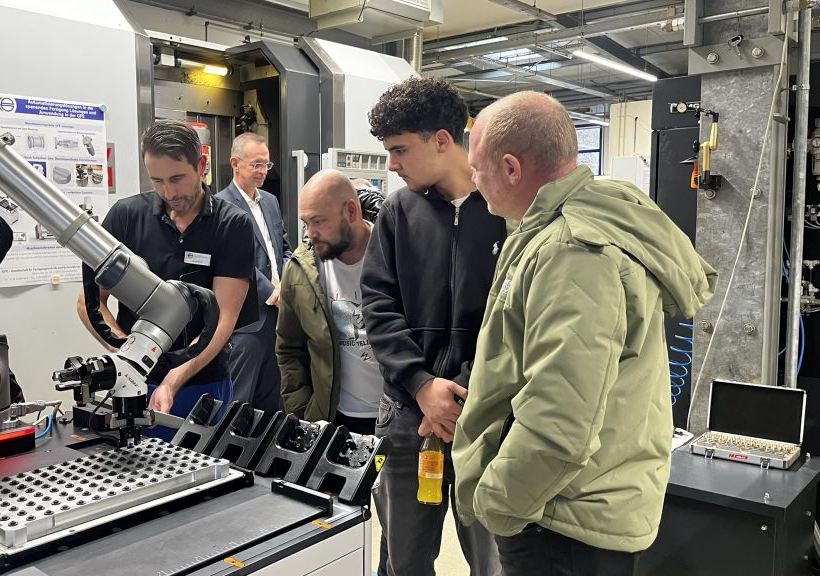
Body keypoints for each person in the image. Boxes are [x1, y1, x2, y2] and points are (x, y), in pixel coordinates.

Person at [453, 91, 717, 576]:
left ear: (511, 168)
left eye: (477, 167)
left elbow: (561, 419)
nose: (473, 180)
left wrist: (497, 503)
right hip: (574, 506)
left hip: (560, 520)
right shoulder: (569, 226)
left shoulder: (571, 251)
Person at [361, 76, 506, 576]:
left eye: (399, 150)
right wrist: (422, 385)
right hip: (407, 416)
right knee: (403, 560)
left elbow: (514, 321)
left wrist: (462, 391)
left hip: (483, 417)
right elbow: (378, 305)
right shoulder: (397, 212)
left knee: (494, 560)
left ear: (442, 140)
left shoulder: (506, 212)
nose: (391, 165)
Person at [77, 120, 254, 432]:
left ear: (201, 166)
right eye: (157, 180)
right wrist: (127, 353)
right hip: (136, 385)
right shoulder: (126, 216)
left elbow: (223, 318)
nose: (169, 192)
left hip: (203, 383)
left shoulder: (231, 225)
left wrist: (174, 379)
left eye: (177, 178)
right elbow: (89, 303)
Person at [276, 169, 384, 435]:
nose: (310, 233)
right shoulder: (300, 271)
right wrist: (304, 414)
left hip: (398, 419)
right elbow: (290, 348)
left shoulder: (395, 255)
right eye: (306, 223)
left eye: (318, 221)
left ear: (351, 211)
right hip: (334, 420)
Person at [218, 132, 292, 413]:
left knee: (272, 398)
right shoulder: (221, 206)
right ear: (235, 163)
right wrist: (271, 291)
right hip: (248, 320)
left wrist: (285, 284)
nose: (263, 171)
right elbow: (234, 260)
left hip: (279, 315)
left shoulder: (270, 201)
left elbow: (283, 247)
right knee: (239, 401)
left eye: (267, 165)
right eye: (256, 165)